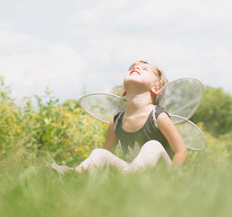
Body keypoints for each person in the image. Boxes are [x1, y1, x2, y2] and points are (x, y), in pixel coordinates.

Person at [52, 61, 188, 173]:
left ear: (156, 88)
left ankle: (127, 177)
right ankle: (73, 173)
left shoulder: (158, 116)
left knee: (153, 146)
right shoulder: (116, 121)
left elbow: (181, 151)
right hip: (129, 173)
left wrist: (172, 180)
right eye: (133, 68)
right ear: (124, 91)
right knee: (100, 153)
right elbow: (106, 156)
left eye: (145, 69)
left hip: (160, 175)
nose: (136, 68)